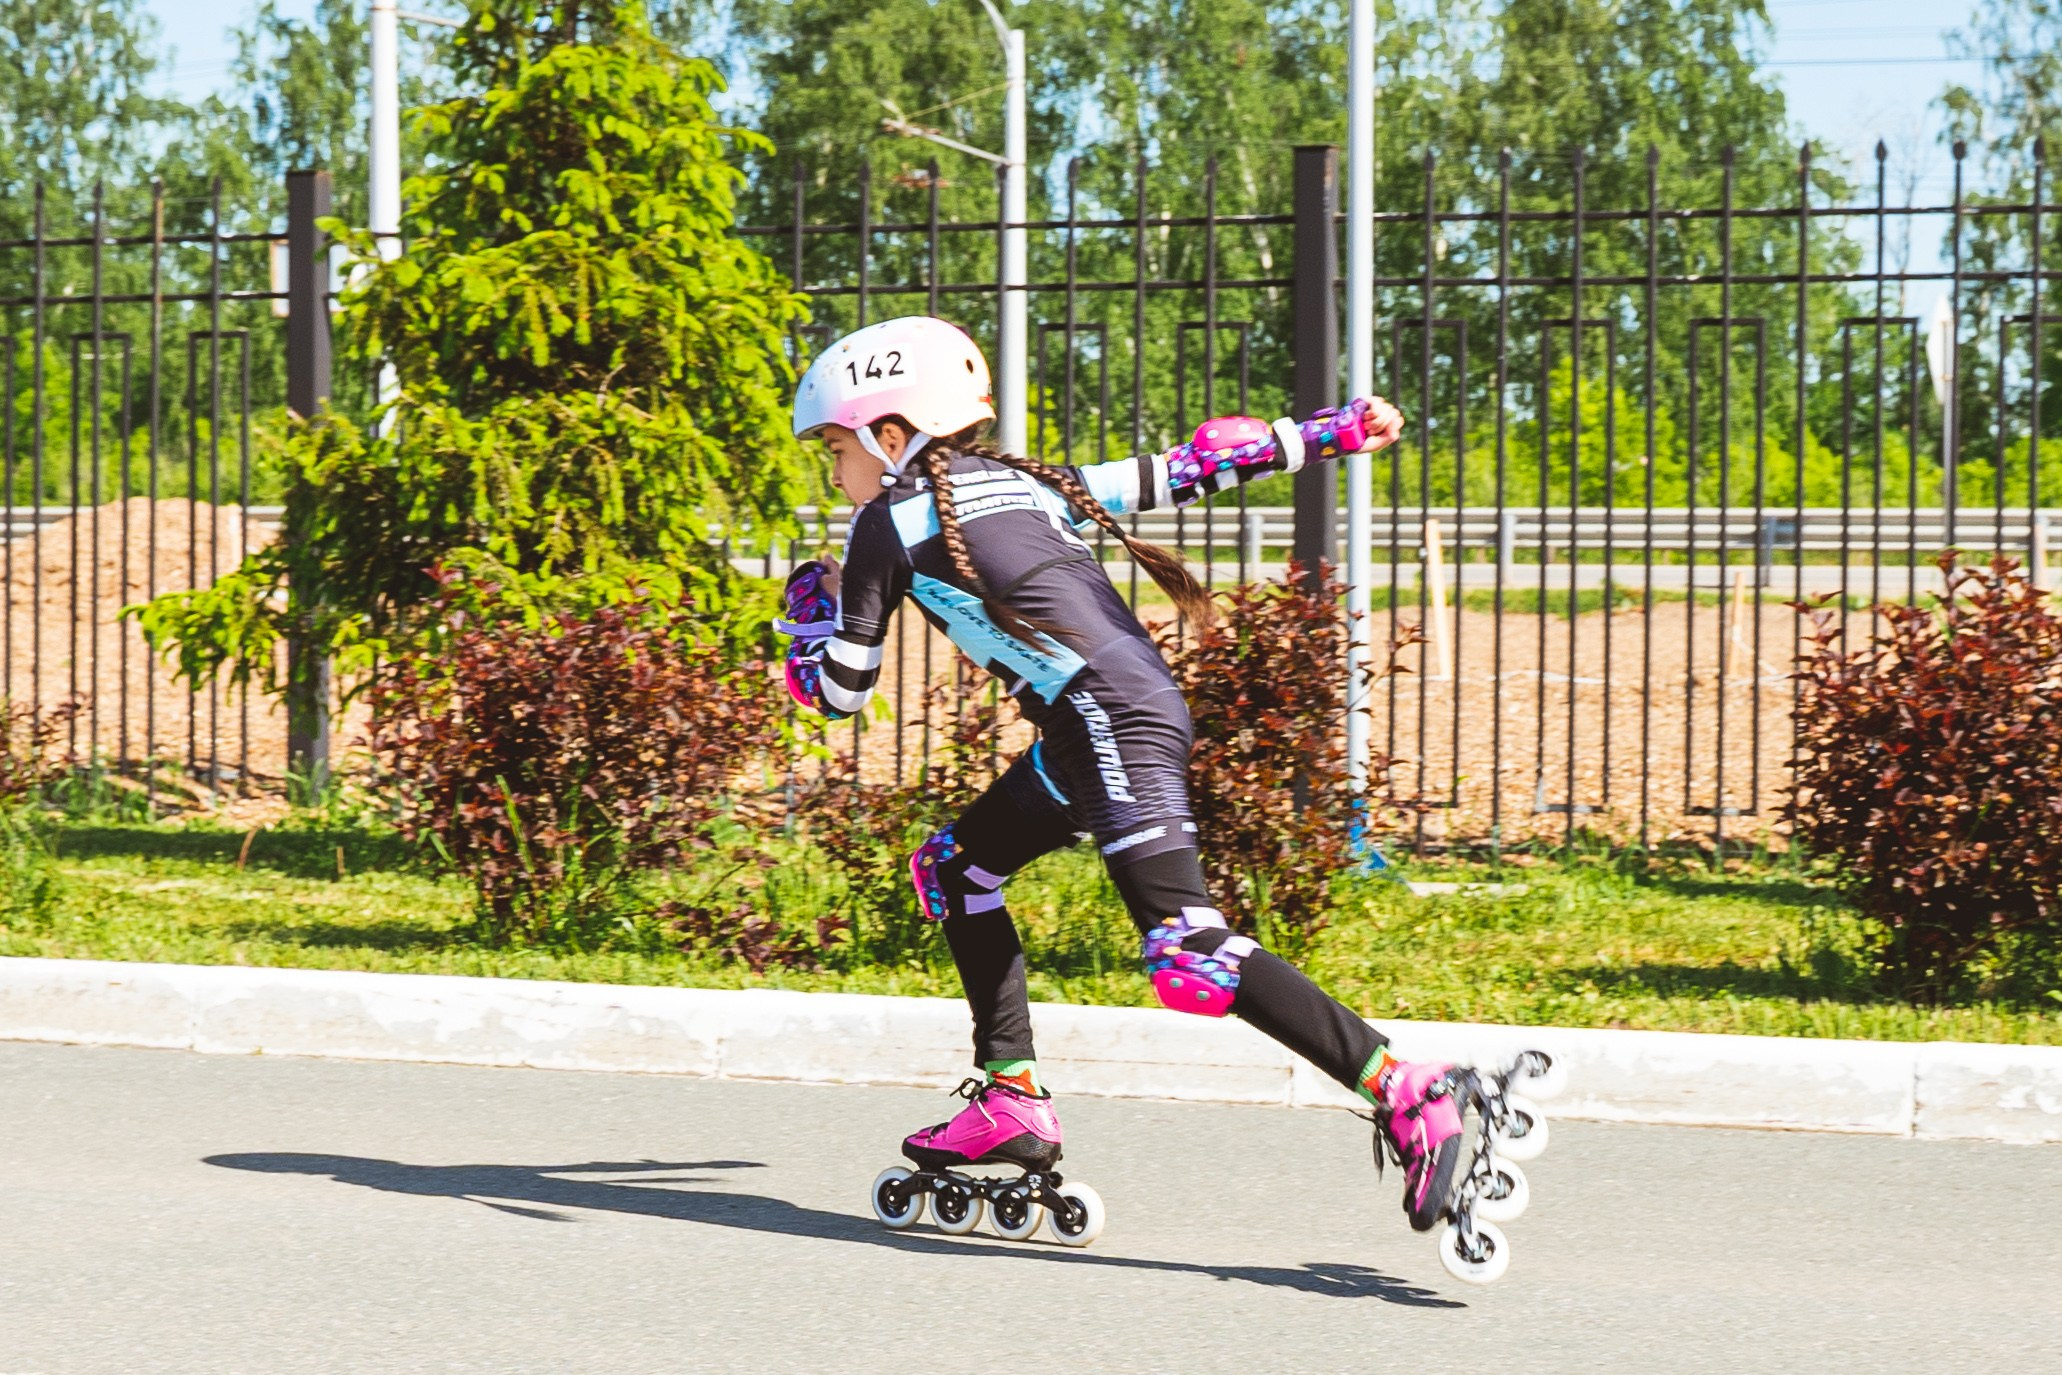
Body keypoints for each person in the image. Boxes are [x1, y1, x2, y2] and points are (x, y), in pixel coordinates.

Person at [777, 315, 1466, 1234]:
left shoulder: (884, 524)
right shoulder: (1033, 482)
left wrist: (809, 615)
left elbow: (837, 694)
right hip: (1099, 723)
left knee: (1189, 952)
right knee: (955, 869)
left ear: (889, 434)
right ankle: (1010, 1098)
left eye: (835, 448)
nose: (835, 472)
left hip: (1108, 721)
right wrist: (1326, 432)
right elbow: (1191, 465)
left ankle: (1404, 1085)